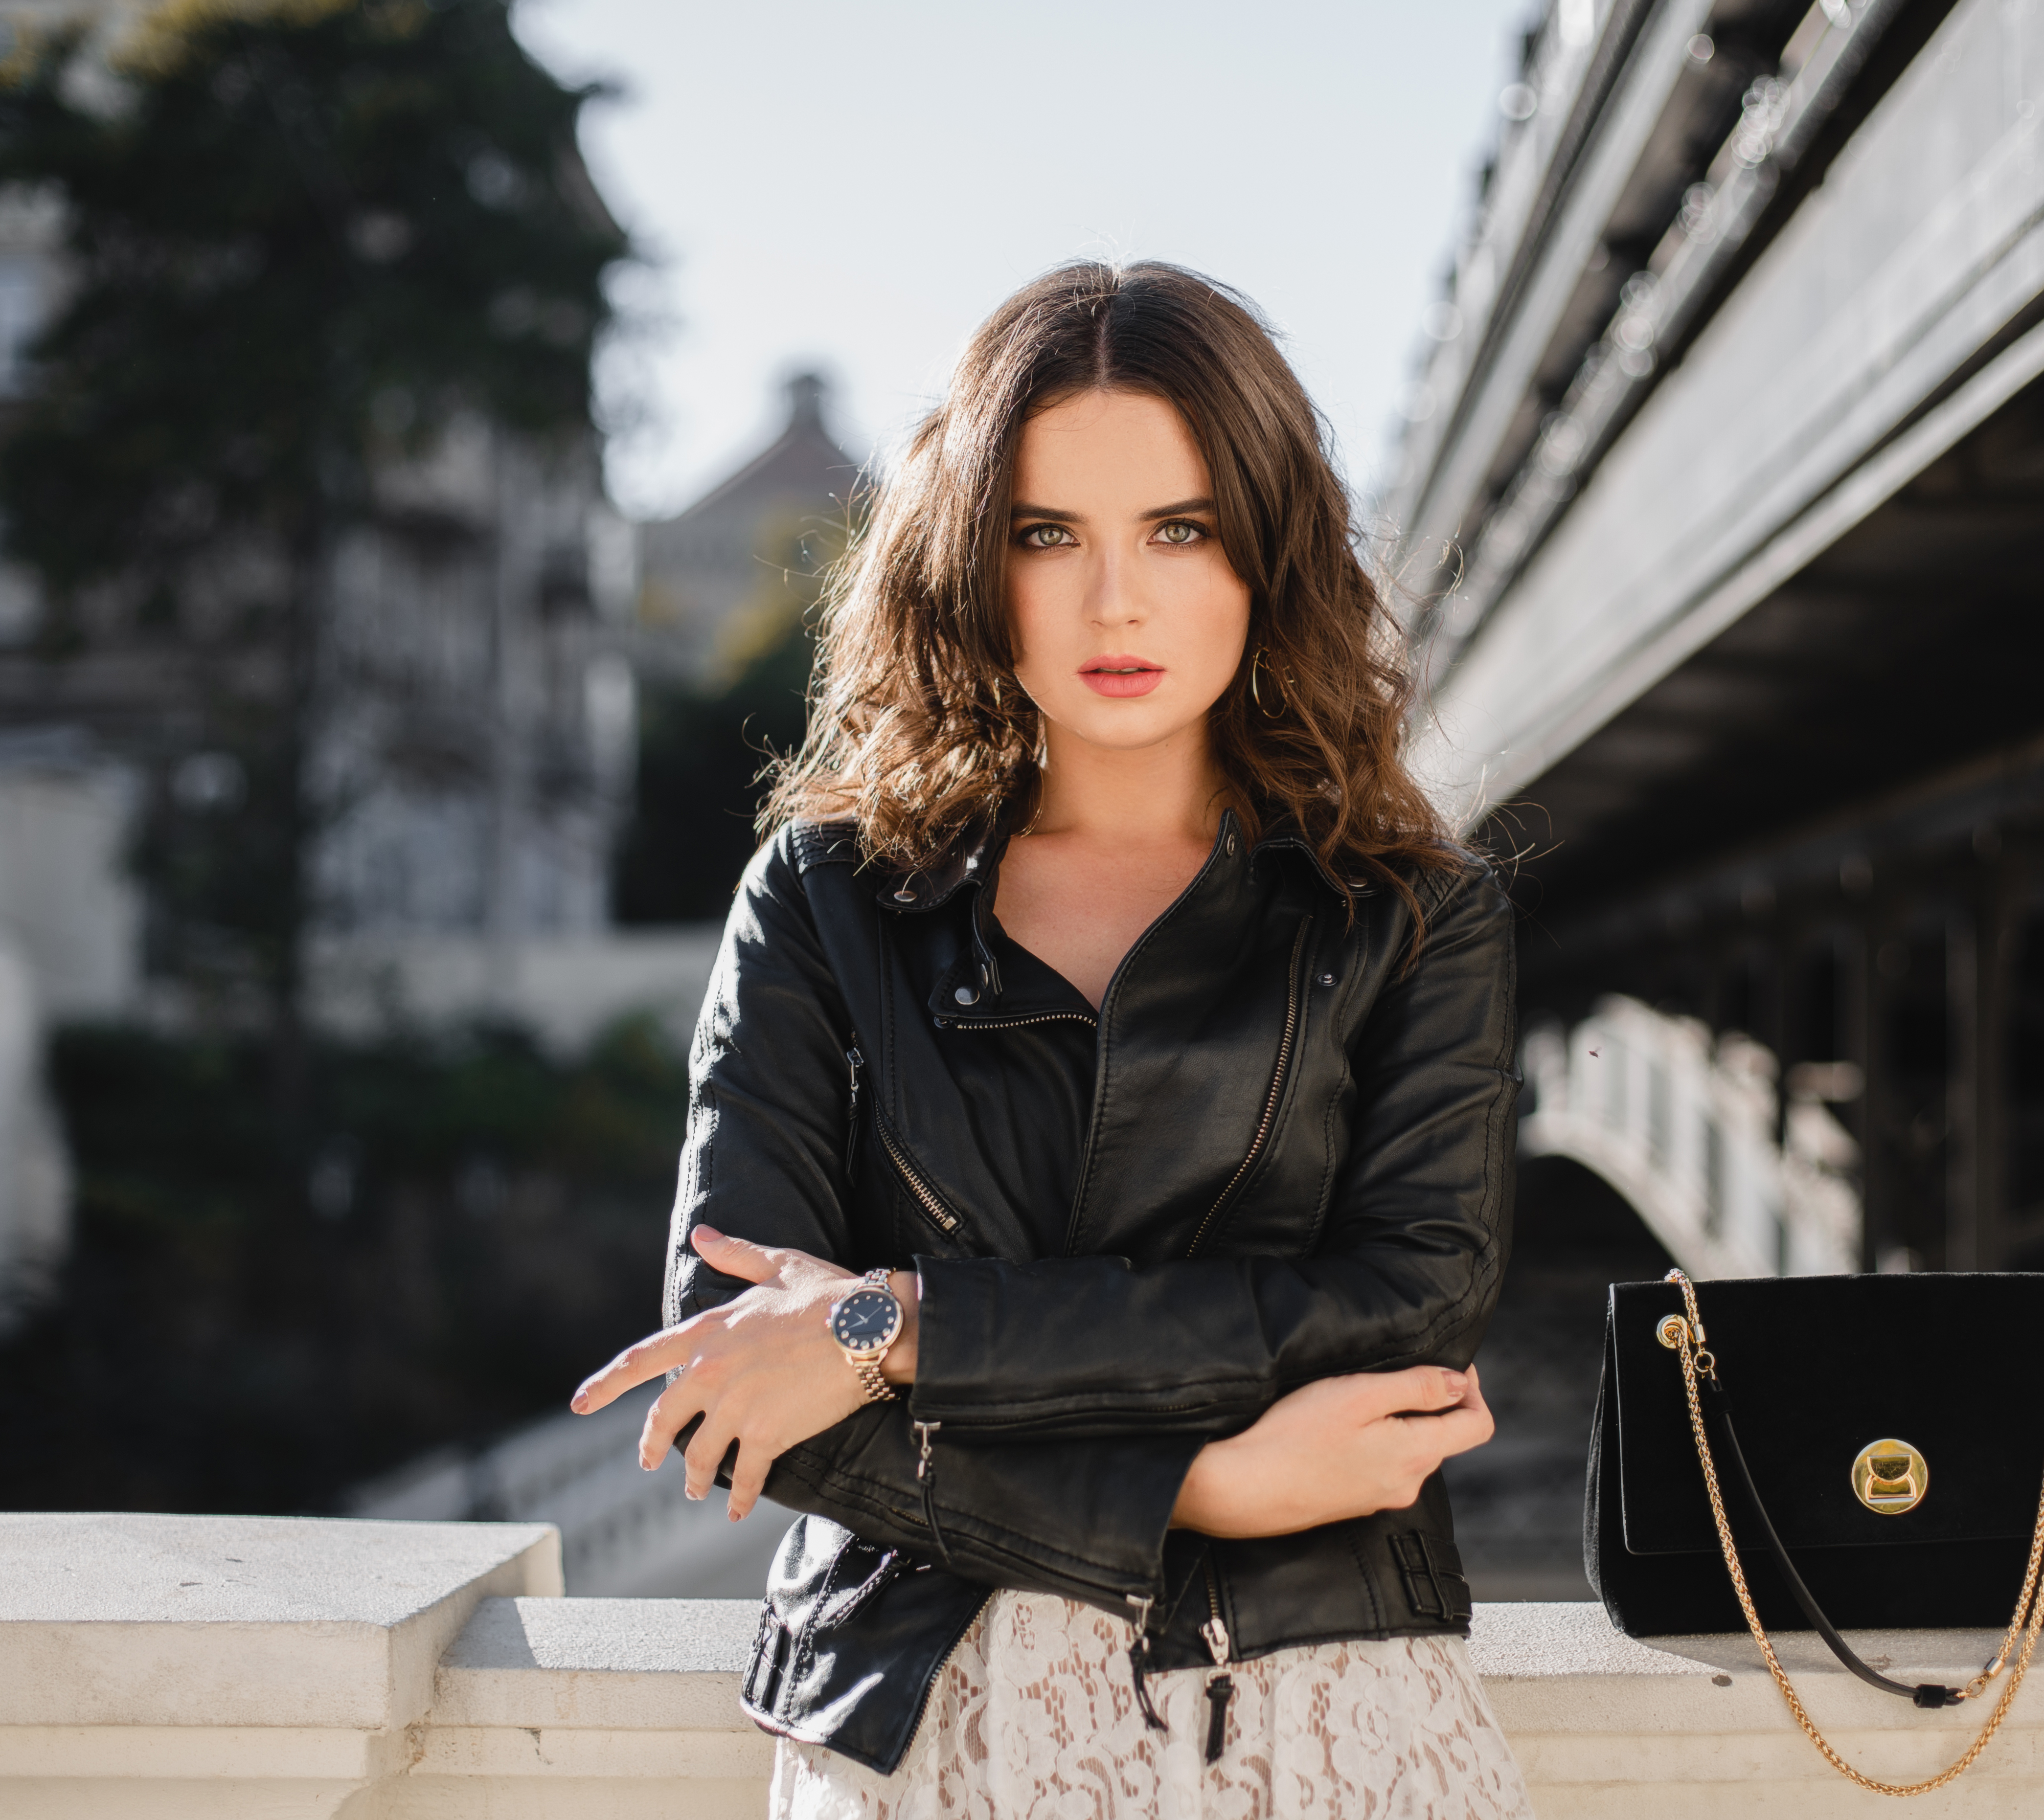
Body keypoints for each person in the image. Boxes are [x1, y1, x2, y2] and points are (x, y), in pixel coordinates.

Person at [571, 260, 1532, 1819]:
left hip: (1323, 1717)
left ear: (1267, 551)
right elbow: (737, 1388)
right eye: (1046, 535)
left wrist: (899, 1328)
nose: (1116, 601)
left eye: (1181, 528)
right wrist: (1200, 1484)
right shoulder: (824, 900)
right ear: (971, 558)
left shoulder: (1413, 919)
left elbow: (1401, 1312)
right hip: (918, 1732)